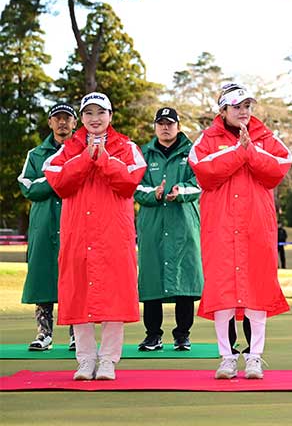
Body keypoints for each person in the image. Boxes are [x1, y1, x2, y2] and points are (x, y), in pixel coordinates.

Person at [189, 83, 292, 380]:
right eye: (237, 107)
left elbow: (279, 168)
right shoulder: (206, 140)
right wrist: (239, 152)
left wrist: (252, 151)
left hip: (256, 226)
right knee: (222, 293)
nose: (244, 112)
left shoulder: (266, 138)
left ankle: (255, 357)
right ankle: (226, 357)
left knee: (256, 292)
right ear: (223, 110)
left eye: (247, 106)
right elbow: (204, 171)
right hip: (220, 227)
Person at [44, 92, 146, 381]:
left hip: (113, 233)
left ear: (110, 116)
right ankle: (85, 359)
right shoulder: (69, 148)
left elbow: (129, 182)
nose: (95, 119)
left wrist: (103, 159)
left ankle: (109, 360)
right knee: (79, 296)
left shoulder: (126, 146)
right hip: (79, 234)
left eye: (100, 113)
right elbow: (59, 182)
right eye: (88, 113)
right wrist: (85, 158)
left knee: (114, 296)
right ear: (82, 118)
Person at [134, 107, 203, 352]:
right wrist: (153, 193)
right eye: (161, 123)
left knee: (184, 278)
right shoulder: (142, 153)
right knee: (152, 277)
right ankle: (153, 335)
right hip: (152, 224)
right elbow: (134, 185)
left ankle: (182, 335)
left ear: (178, 126)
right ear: (155, 126)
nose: (165, 127)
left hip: (183, 223)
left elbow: (200, 182)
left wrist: (180, 191)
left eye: (170, 123)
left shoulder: (193, 152)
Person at [17, 103, 78, 351]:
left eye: (67, 118)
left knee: (76, 278)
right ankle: (44, 333)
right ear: (50, 123)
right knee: (43, 276)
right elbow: (28, 187)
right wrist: (59, 177)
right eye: (57, 118)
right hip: (43, 224)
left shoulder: (82, 151)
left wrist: (58, 177)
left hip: (73, 220)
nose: (62, 123)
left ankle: (78, 334)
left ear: (75, 123)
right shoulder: (35, 154)